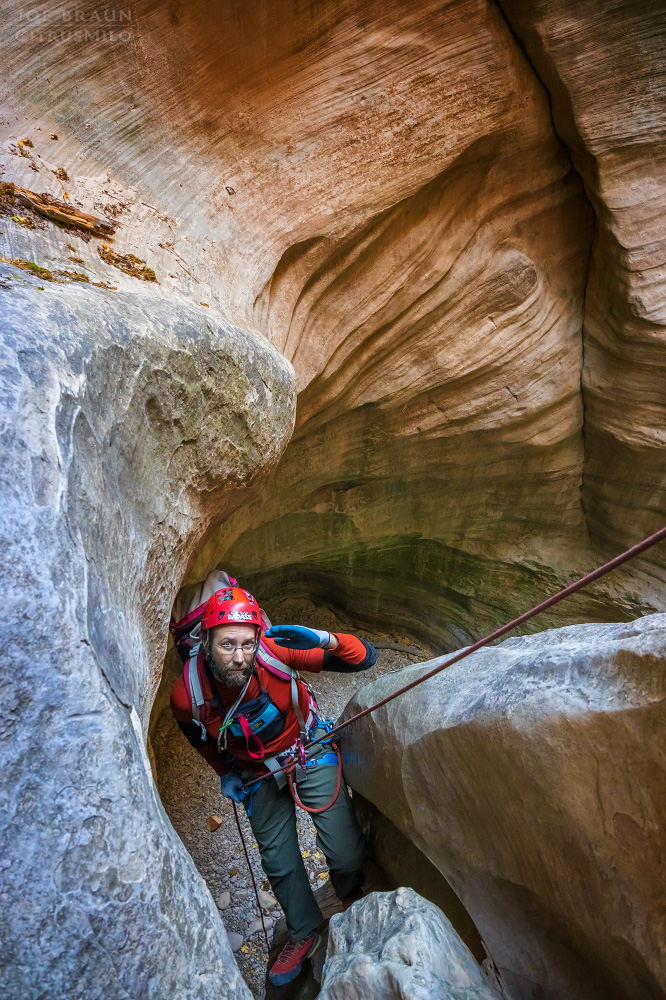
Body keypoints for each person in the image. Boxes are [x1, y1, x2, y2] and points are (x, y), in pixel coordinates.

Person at [170, 585, 376, 986]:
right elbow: (193, 732)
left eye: (247, 644)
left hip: (307, 746)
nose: (240, 656)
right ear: (205, 642)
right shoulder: (188, 694)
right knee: (279, 863)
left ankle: (350, 895)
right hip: (255, 771)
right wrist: (223, 771)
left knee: (347, 853)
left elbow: (365, 659)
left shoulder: (272, 653)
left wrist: (325, 639)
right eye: (227, 644)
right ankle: (303, 933)